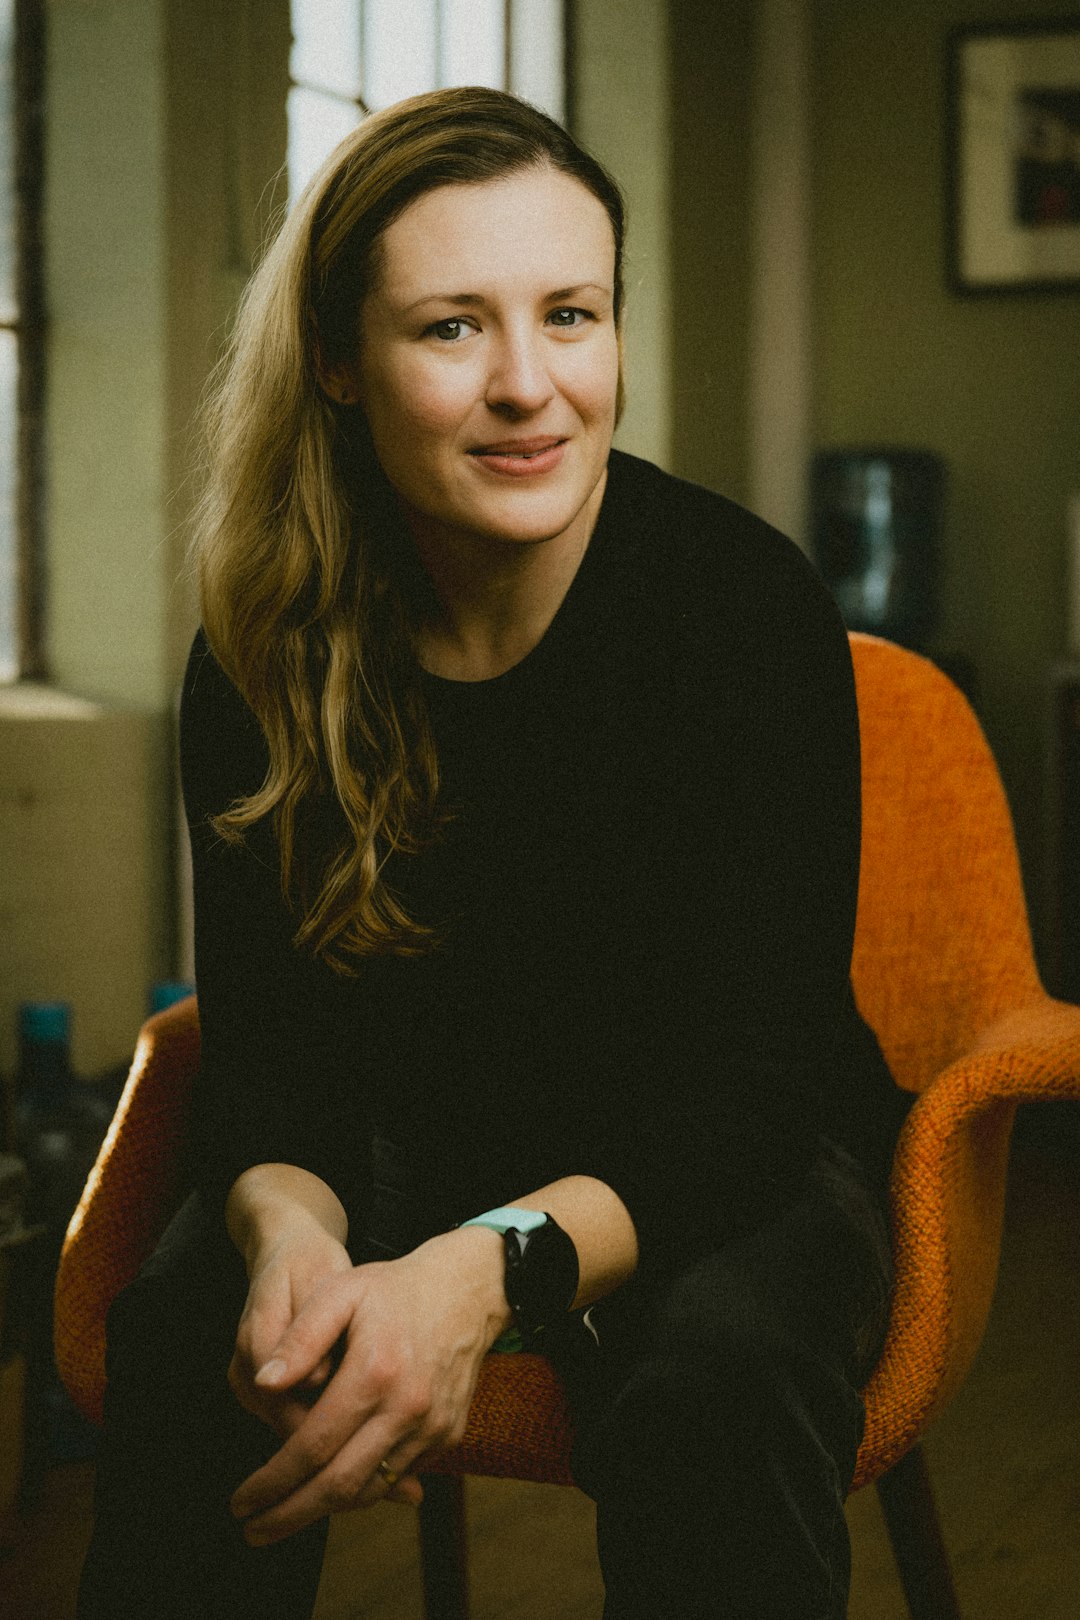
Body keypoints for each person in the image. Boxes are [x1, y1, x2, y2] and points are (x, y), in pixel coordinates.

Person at [78, 86, 910, 1619]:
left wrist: (486, 1271)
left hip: (728, 1160)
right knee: (207, 1332)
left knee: (710, 1384)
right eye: (452, 328)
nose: (532, 386)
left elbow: (758, 1078)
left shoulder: (741, 607)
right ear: (340, 362)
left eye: (573, 316)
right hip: (407, 1135)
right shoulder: (263, 646)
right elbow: (273, 1053)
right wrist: (293, 1241)